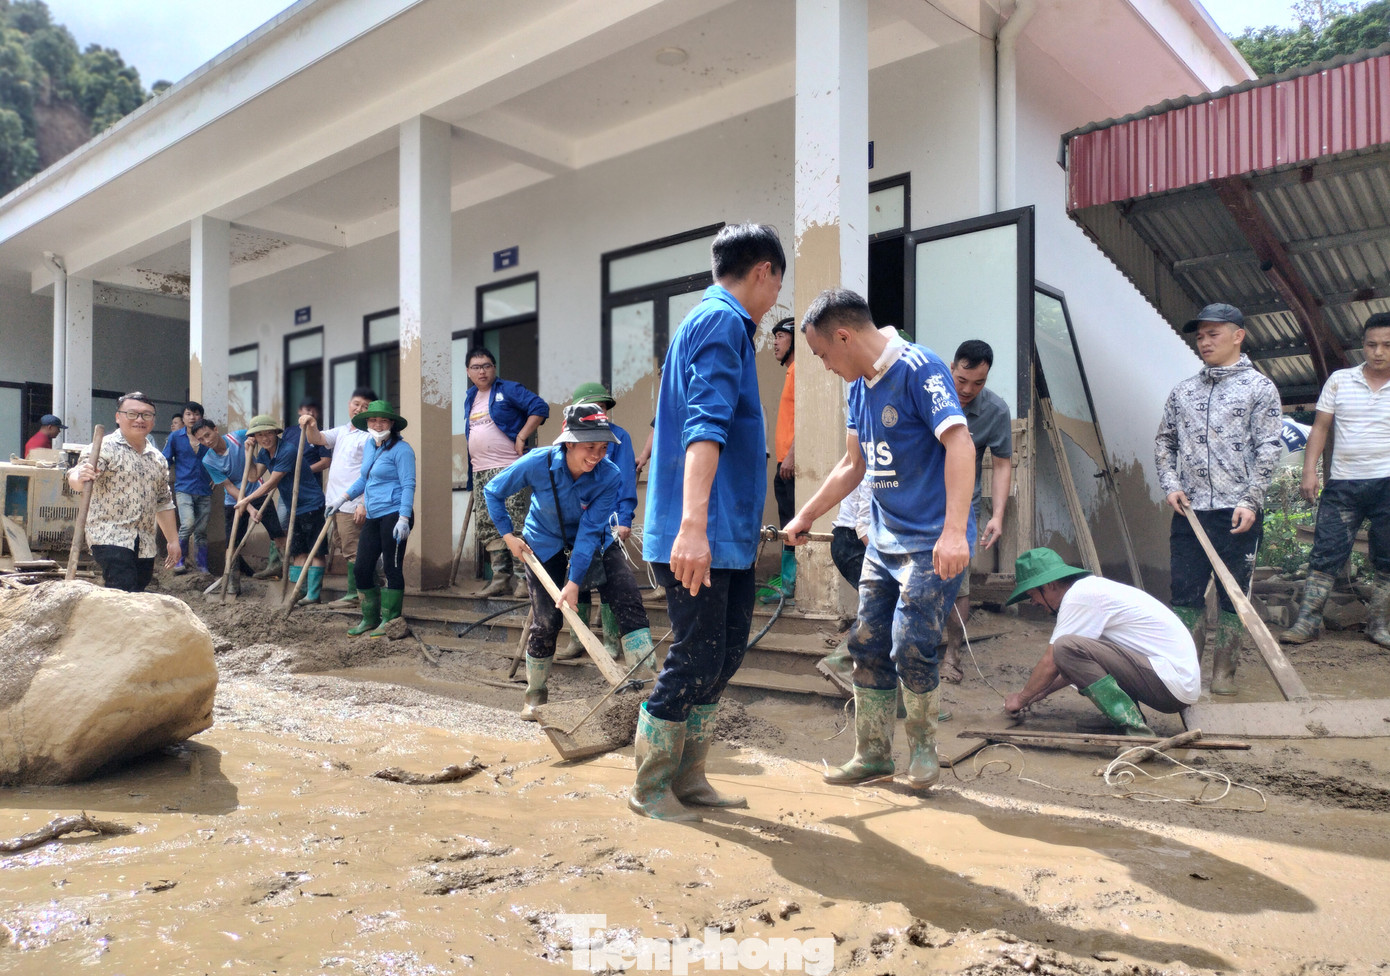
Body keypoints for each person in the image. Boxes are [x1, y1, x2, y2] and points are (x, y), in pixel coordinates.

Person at [783, 288, 974, 792]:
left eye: (823, 354)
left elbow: (960, 442)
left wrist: (955, 530)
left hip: (932, 539)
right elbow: (853, 464)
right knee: (866, 641)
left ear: (844, 336)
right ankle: (871, 754)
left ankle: (924, 752)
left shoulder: (920, 368)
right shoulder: (858, 387)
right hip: (885, 540)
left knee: (912, 642)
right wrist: (805, 515)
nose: (824, 365)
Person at [634, 222, 785, 822]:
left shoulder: (716, 324)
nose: (776, 299)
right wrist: (691, 528)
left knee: (723, 656)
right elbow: (704, 427)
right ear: (763, 272)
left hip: (728, 536)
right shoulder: (721, 324)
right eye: (778, 284)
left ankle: (690, 777)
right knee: (696, 657)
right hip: (702, 534)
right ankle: (649, 787)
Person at [485, 404, 656, 719]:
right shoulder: (539, 462)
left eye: (603, 447)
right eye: (589, 446)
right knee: (547, 621)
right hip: (543, 542)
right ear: (569, 443)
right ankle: (536, 696)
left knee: (629, 599)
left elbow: (590, 533)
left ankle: (648, 690)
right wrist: (508, 536)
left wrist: (574, 582)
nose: (597, 454)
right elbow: (493, 491)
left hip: (595, 540)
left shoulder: (610, 475)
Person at [1155, 302, 1281, 695]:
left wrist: (1251, 499)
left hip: (1237, 512)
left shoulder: (1260, 388)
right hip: (1190, 511)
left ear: (1237, 335)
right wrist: (1170, 483)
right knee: (1185, 593)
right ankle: (1188, 675)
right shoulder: (1184, 391)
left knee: (1234, 596)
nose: (1204, 342)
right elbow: (1165, 441)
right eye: (1200, 336)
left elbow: (1269, 448)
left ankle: (1224, 675)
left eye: (1213, 334)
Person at [1002, 547, 1200, 734]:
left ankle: (1136, 731)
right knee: (1069, 649)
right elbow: (1074, 666)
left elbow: (1053, 660)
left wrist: (1021, 699)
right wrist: (1039, 693)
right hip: (1172, 681)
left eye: (1032, 595)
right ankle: (1119, 716)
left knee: (1064, 646)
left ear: (1049, 586)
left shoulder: (1078, 597)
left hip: (1171, 682)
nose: (1033, 602)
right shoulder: (1089, 592)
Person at [1283, 312, 1390, 648]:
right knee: (1326, 550)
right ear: (1363, 345)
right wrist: (1309, 470)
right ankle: (1307, 622)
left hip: (1388, 483)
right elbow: (1321, 428)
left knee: (1388, 555)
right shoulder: (1340, 381)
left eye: (1387, 345)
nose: (1378, 352)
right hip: (1344, 483)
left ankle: (1379, 624)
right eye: (1371, 345)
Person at [941, 339, 1014, 683]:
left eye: (979, 383)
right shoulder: (930, 395)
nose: (969, 389)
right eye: (962, 380)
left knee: (959, 584)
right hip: (919, 507)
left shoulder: (995, 411)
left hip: (961, 512)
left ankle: (952, 653)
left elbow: (1001, 465)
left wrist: (997, 515)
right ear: (952, 368)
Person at [556, 381, 639, 662]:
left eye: (603, 407)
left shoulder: (619, 437)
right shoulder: (569, 442)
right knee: (575, 575)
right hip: (575, 523)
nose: (599, 413)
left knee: (607, 582)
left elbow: (626, 480)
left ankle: (611, 643)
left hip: (608, 521)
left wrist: (624, 518)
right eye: (592, 408)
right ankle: (578, 640)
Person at [67, 392, 181, 591]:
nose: (139, 419)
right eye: (132, 414)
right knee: (122, 585)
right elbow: (77, 479)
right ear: (118, 417)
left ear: (153, 420)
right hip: (109, 534)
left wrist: (173, 540)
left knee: (139, 586)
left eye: (146, 415)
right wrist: (80, 476)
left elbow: (163, 502)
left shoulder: (157, 459)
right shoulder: (102, 448)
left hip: (144, 541)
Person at [463, 347, 549, 599]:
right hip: (480, 471)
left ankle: (524, 580)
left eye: (487, 365)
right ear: (468, 372)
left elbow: (540, 407)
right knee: (489, 524)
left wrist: (522, 436)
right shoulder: (470, 397)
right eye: (476, 367)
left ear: (494, 368)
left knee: (517, 522)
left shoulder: (508, 389)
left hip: (509, 467)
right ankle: (500, 579)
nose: (482, 371)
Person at [326, 400, 416, 637]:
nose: (377, 424)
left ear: (392, 424)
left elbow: (408, 484)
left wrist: (404, 518)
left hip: (395, 514)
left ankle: (390, 619)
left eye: (383, 420)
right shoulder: (370, 445)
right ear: (367, 423)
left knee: (392, 566)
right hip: (374, 515)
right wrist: (341, 498)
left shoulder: (402, 450)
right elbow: (364, 479)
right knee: (362, 568)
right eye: (373, 420)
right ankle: (369, 618)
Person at [234, 413, 328, 603]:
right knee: (297, 551)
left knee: (315, 551)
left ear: (276, 433)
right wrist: (248, 453)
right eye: (260, 436)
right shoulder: (263, 452)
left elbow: (270, 483)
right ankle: (298, 592)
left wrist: (246, 500)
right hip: (295, 507)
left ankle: (313, 595)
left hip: (311, 505)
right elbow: (253, 476)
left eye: (268, 433)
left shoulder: (288, 450)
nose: (265, 438)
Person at [302, 387, 377, 605]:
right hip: (335, 502)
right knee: (345, 547)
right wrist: (311, 425)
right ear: (349, 404)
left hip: (352, 504)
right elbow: (317, 439)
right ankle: (366, 590)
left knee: (354, 550)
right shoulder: (343, 431)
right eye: (356, 404)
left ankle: (356, 595)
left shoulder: (369, 437)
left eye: (365, 407)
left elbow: (371, 475)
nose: (359, 409)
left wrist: (363, 503)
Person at [191, 419, 258, 593]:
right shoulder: (208, 460)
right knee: (232, 542)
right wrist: (247, 506)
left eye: (208, 435)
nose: (207, 441)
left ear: (215, 429)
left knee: (278, 534)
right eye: (201, 440)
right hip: (234, 500)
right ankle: (233, 583)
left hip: (259, 492)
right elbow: (228, 486)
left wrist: (253, 442)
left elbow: (260, 432)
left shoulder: (239, 437)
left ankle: (284, 574)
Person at [762, 316, 798, 603]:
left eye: (781, 336)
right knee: (786, 522)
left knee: (793, 523)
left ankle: (791, 584)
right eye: (774, 336)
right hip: (783, 462)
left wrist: (792, 456)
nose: (775, 341)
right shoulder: (790, 372)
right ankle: (788, 579)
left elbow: (806, 418)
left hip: (791, 464)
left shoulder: (800, 371)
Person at [163, 400, 213, 573]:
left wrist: (217, 476)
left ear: (201, 417)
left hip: (205, 489)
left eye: (196, 414)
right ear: (183, 418)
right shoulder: (176, 437)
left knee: (201, 530)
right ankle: (178, 561)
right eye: (188, 414)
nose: (192, 417)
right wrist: (161, 479)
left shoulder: (207, 436)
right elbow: (165, 460)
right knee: (188, 523)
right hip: (184, 488)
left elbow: (219, 458)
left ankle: (202, 565)